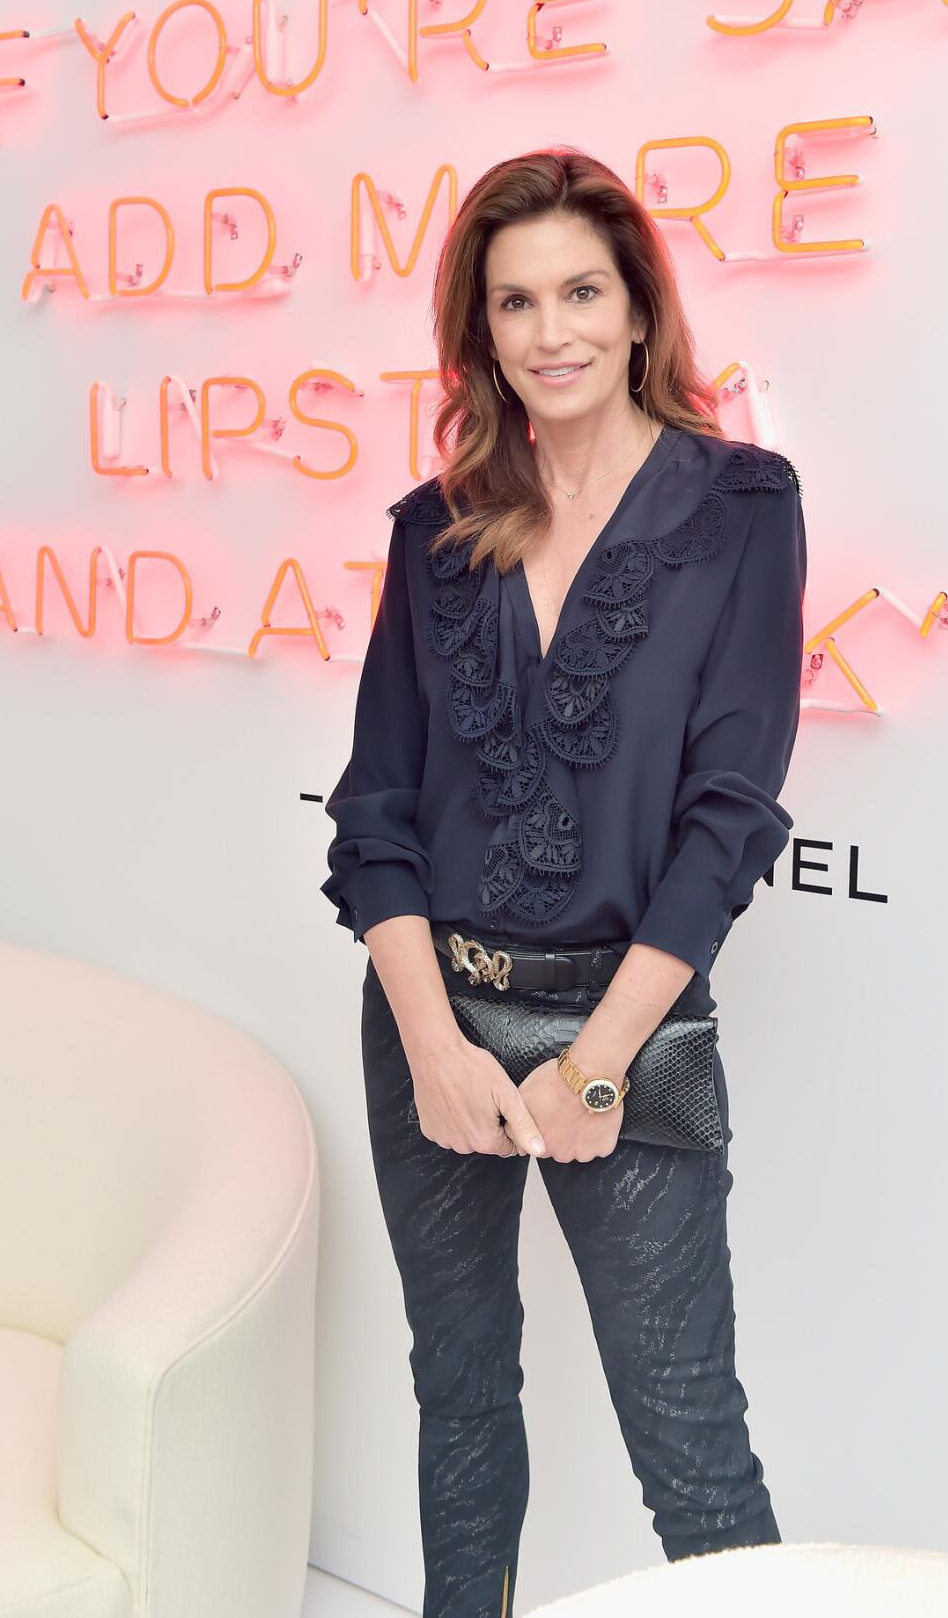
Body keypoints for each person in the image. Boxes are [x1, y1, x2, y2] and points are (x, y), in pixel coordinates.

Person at [320, 147, 807, 1618]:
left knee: (694, 1451)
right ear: (481, 333)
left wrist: (597, 1066)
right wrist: (430, 1045)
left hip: (631, 1027)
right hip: (430, 1010)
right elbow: (376, 814)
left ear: (641, 308)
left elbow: (727, 823)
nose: (554, 333)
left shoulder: (740, 506)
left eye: (583, 291)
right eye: (516, 302)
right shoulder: (437, 530)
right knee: (458, 1399)